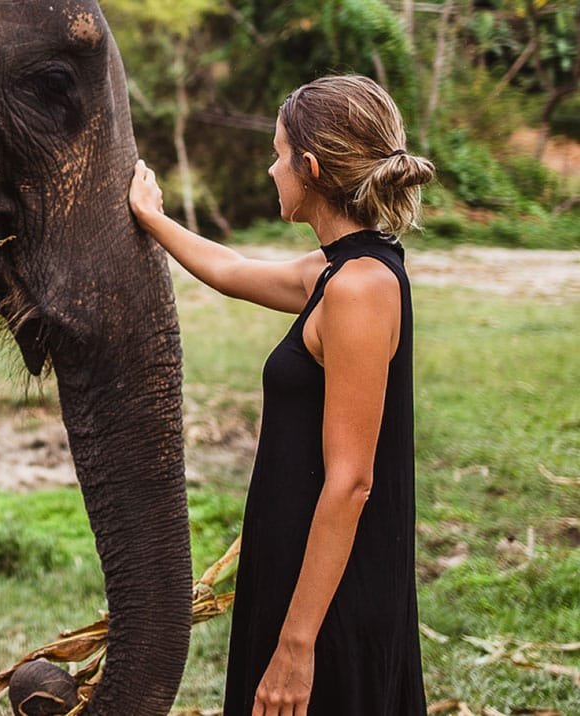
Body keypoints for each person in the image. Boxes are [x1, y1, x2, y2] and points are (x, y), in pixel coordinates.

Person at [129, 74, 435, 715]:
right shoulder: (336, 271)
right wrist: (152, 219)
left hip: (331, 598)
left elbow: (351, 480)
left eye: (277, 154)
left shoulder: (360, 288)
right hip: (294, 565)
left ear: (311, 166)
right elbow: (231, 270)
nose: (271, 170)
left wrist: (298, 645)